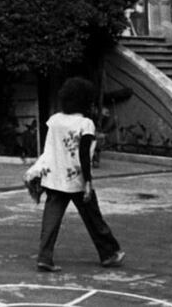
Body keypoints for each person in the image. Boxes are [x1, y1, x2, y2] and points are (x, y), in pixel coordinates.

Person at [28, 76, 124, 272]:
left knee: (50, 220)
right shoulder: (85, 123)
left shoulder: (54, 121)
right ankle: (109, 253)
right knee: (93, 218)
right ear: (85, 100)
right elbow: (84, 155)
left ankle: (44, 257)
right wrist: (88, 182)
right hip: (76, 179)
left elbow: (49, 149)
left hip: (54, 177)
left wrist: (39, 170)